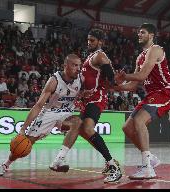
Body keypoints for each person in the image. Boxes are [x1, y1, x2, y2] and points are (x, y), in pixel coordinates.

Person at [50, 28, 122, 183]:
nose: (89, 42)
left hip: (97, 98)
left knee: (87, 129)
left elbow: (110, 73)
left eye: (92, 40)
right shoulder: (89, 57)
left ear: (100, 42)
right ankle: (110, 162)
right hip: (86, 100)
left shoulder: (99, 55)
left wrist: (113, 79)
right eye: (88, 40)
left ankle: (113, 166)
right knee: (83, 131)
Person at [0, 54, 84, 176]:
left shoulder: (81, 79)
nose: (78, 68)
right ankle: (5, 164)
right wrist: (23, 129)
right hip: (50, 112)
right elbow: (38, 105)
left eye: (79, 65)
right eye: (74, 65)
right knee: (26, 143)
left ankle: (59, 160)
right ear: (65, 66)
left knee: (77, 122)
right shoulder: (54, 81)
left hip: (66, 113)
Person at [114, 23, 170, 179]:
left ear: (151, 35)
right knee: (127, 128)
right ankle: (151, 159)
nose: (139, 35)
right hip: (151, 95)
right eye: (138, 32)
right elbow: (132, 86)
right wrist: (113, 86)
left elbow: (141, 76)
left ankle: (147, 167)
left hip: (164, 92)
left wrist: (124, 76)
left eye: (142, 32)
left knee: (139, 121)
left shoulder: (156, 49)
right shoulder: (139, 57)